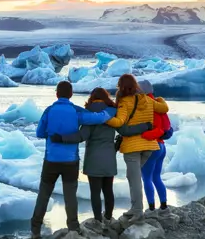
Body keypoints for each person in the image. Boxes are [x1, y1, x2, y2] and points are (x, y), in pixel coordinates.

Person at [50, 88, 151, 230]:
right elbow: (126, 130)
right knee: (108, 190)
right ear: (106, 98)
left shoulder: (89, 114)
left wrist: (61, 138)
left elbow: (80, 136)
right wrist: (145, 126)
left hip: (93, 159)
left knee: (95, 191)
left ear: (92, 98)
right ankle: (108, 218)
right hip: (109, 157)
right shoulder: (111, 113)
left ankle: (98, 220)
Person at [31, 81, 114, 238]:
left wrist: (52, 133)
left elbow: (40, 133)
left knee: (44, 194)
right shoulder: (76, 111)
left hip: (51, 160)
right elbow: (98, 118)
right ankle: (73, 229)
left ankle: (35, 230)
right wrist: (111, 110)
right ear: (71, 94)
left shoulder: (49, 110)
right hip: (70, 161)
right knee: (70, 196)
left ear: (57, 94)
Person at [105, 74, 169, 224]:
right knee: (132, 177)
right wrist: (159, 99)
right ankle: (135, 208)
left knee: (135, 181)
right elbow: (164, 108)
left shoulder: (124, 102)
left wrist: (104, 118)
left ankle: (138, 212)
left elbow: (120, 121)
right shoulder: (147, 99)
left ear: (121, 86)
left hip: (133, 147)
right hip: (150, 146)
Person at [138, 80, 172, 217]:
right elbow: (167, 127)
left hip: (151, 146)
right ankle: (163, 205)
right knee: (156, 177)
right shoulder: (160, 106)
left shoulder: (144, 105)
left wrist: (143, 135)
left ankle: (151, 208)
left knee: (146, 178)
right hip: (162, 146)